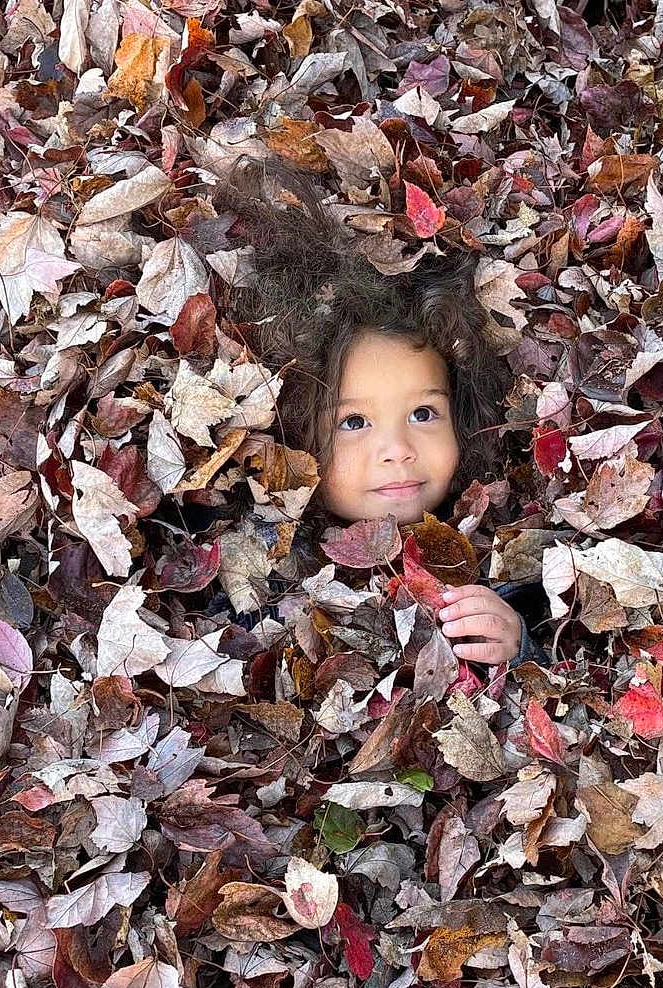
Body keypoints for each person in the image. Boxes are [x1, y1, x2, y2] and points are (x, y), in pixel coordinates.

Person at [194, 155, 551, 669]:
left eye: (424, 414)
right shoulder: (256, 580)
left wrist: (517, 643)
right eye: (354, 422)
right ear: (294, 444)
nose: (398, 451)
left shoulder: (509, 549)